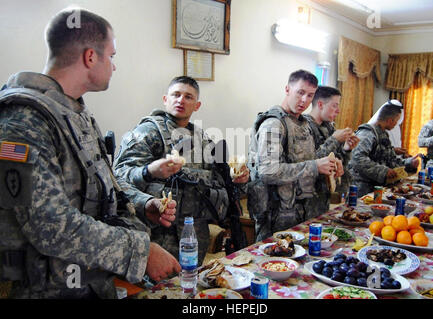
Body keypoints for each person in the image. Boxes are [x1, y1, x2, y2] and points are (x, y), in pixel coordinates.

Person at [0, 8, 180, 299]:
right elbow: (51, 227)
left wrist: (144, 203)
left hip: (91, 284)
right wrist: (141, 252)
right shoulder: (23, 122)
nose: (114, 66)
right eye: (112, 56)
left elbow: (104, 183)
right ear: (90, 57)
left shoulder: (75, 114)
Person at [114, 76, 249, 266]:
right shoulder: (147, 132)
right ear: (165, 99)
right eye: (176, 95)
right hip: (158, 237)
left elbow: (221, 182)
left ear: (197, 105)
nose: (181, 100)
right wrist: (149, 171)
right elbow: (118, 176)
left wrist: (239, 180)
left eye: (188, 97)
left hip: (195, 235)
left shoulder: (203, 139)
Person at [247, 70, 341, 241]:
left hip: (301, 210)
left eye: (310, 95)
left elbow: (307, 159)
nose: (304, 100)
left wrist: (331, 164)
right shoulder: (273, 124)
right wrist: (315, 166)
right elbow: (268, 171)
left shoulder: (303, 123)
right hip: (276, 216)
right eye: (300, 92)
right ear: (287, 89)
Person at [303, 86, 359, 218]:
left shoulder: (328, 127)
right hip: (306, 199)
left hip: (324, 196)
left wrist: (346, 149)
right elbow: (309, 162)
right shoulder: (303, 127)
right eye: (334, 106)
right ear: (320, 104)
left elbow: (338, 165)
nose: (338, 111)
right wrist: (334, 140)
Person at [349, 101, 420, 197]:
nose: (396, 124)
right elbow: (357, 159)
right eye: (396, 121)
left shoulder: (382, 134)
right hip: (362, 188)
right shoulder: (367, 134)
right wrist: (383, 171)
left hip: (377, 187)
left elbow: (390, 160)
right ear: (390, 120)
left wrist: (409, 163)